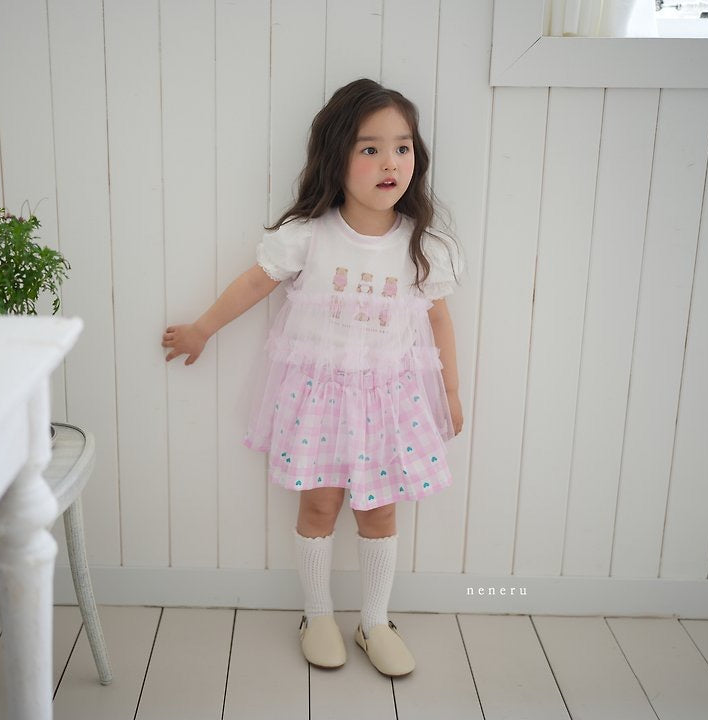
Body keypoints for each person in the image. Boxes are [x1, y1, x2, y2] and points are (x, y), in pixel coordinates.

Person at [161, 78, 465, 677]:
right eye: (370, 148)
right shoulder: (310, 234)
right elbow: (254, 283)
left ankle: (374, 620)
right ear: (336, 156)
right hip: (321, 401)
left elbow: (439, 321)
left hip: (390, 402)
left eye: (402, 148)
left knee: (379, 514)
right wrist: (201, 328)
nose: (390, 163)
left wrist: (450, 393)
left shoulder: (422, 245)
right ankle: (317, 615)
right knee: (320, 506)